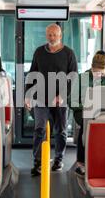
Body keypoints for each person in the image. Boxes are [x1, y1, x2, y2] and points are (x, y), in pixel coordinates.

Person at [25, 24, 78, 176]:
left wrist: (62, 95)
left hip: (61, 100)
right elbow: (32, 73)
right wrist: (28, 95)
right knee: (39, 128)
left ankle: (59, 159)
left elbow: (73, 77)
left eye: (55, 35)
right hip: (40, 97)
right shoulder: (39, 52)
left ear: (60, 35)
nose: (52, 37)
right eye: (49, 35)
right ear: (46, 35)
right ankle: (38, 162)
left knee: (60, 131)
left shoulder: (68, 53)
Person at [70, 53, 105, 177]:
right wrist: (88, 106)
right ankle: (81, 162)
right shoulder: (82, 78)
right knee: (87, 124)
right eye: (95, 73)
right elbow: (72, 101)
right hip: (83, 111)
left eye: (101, 74)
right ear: (91, 67)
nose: (98, 76)